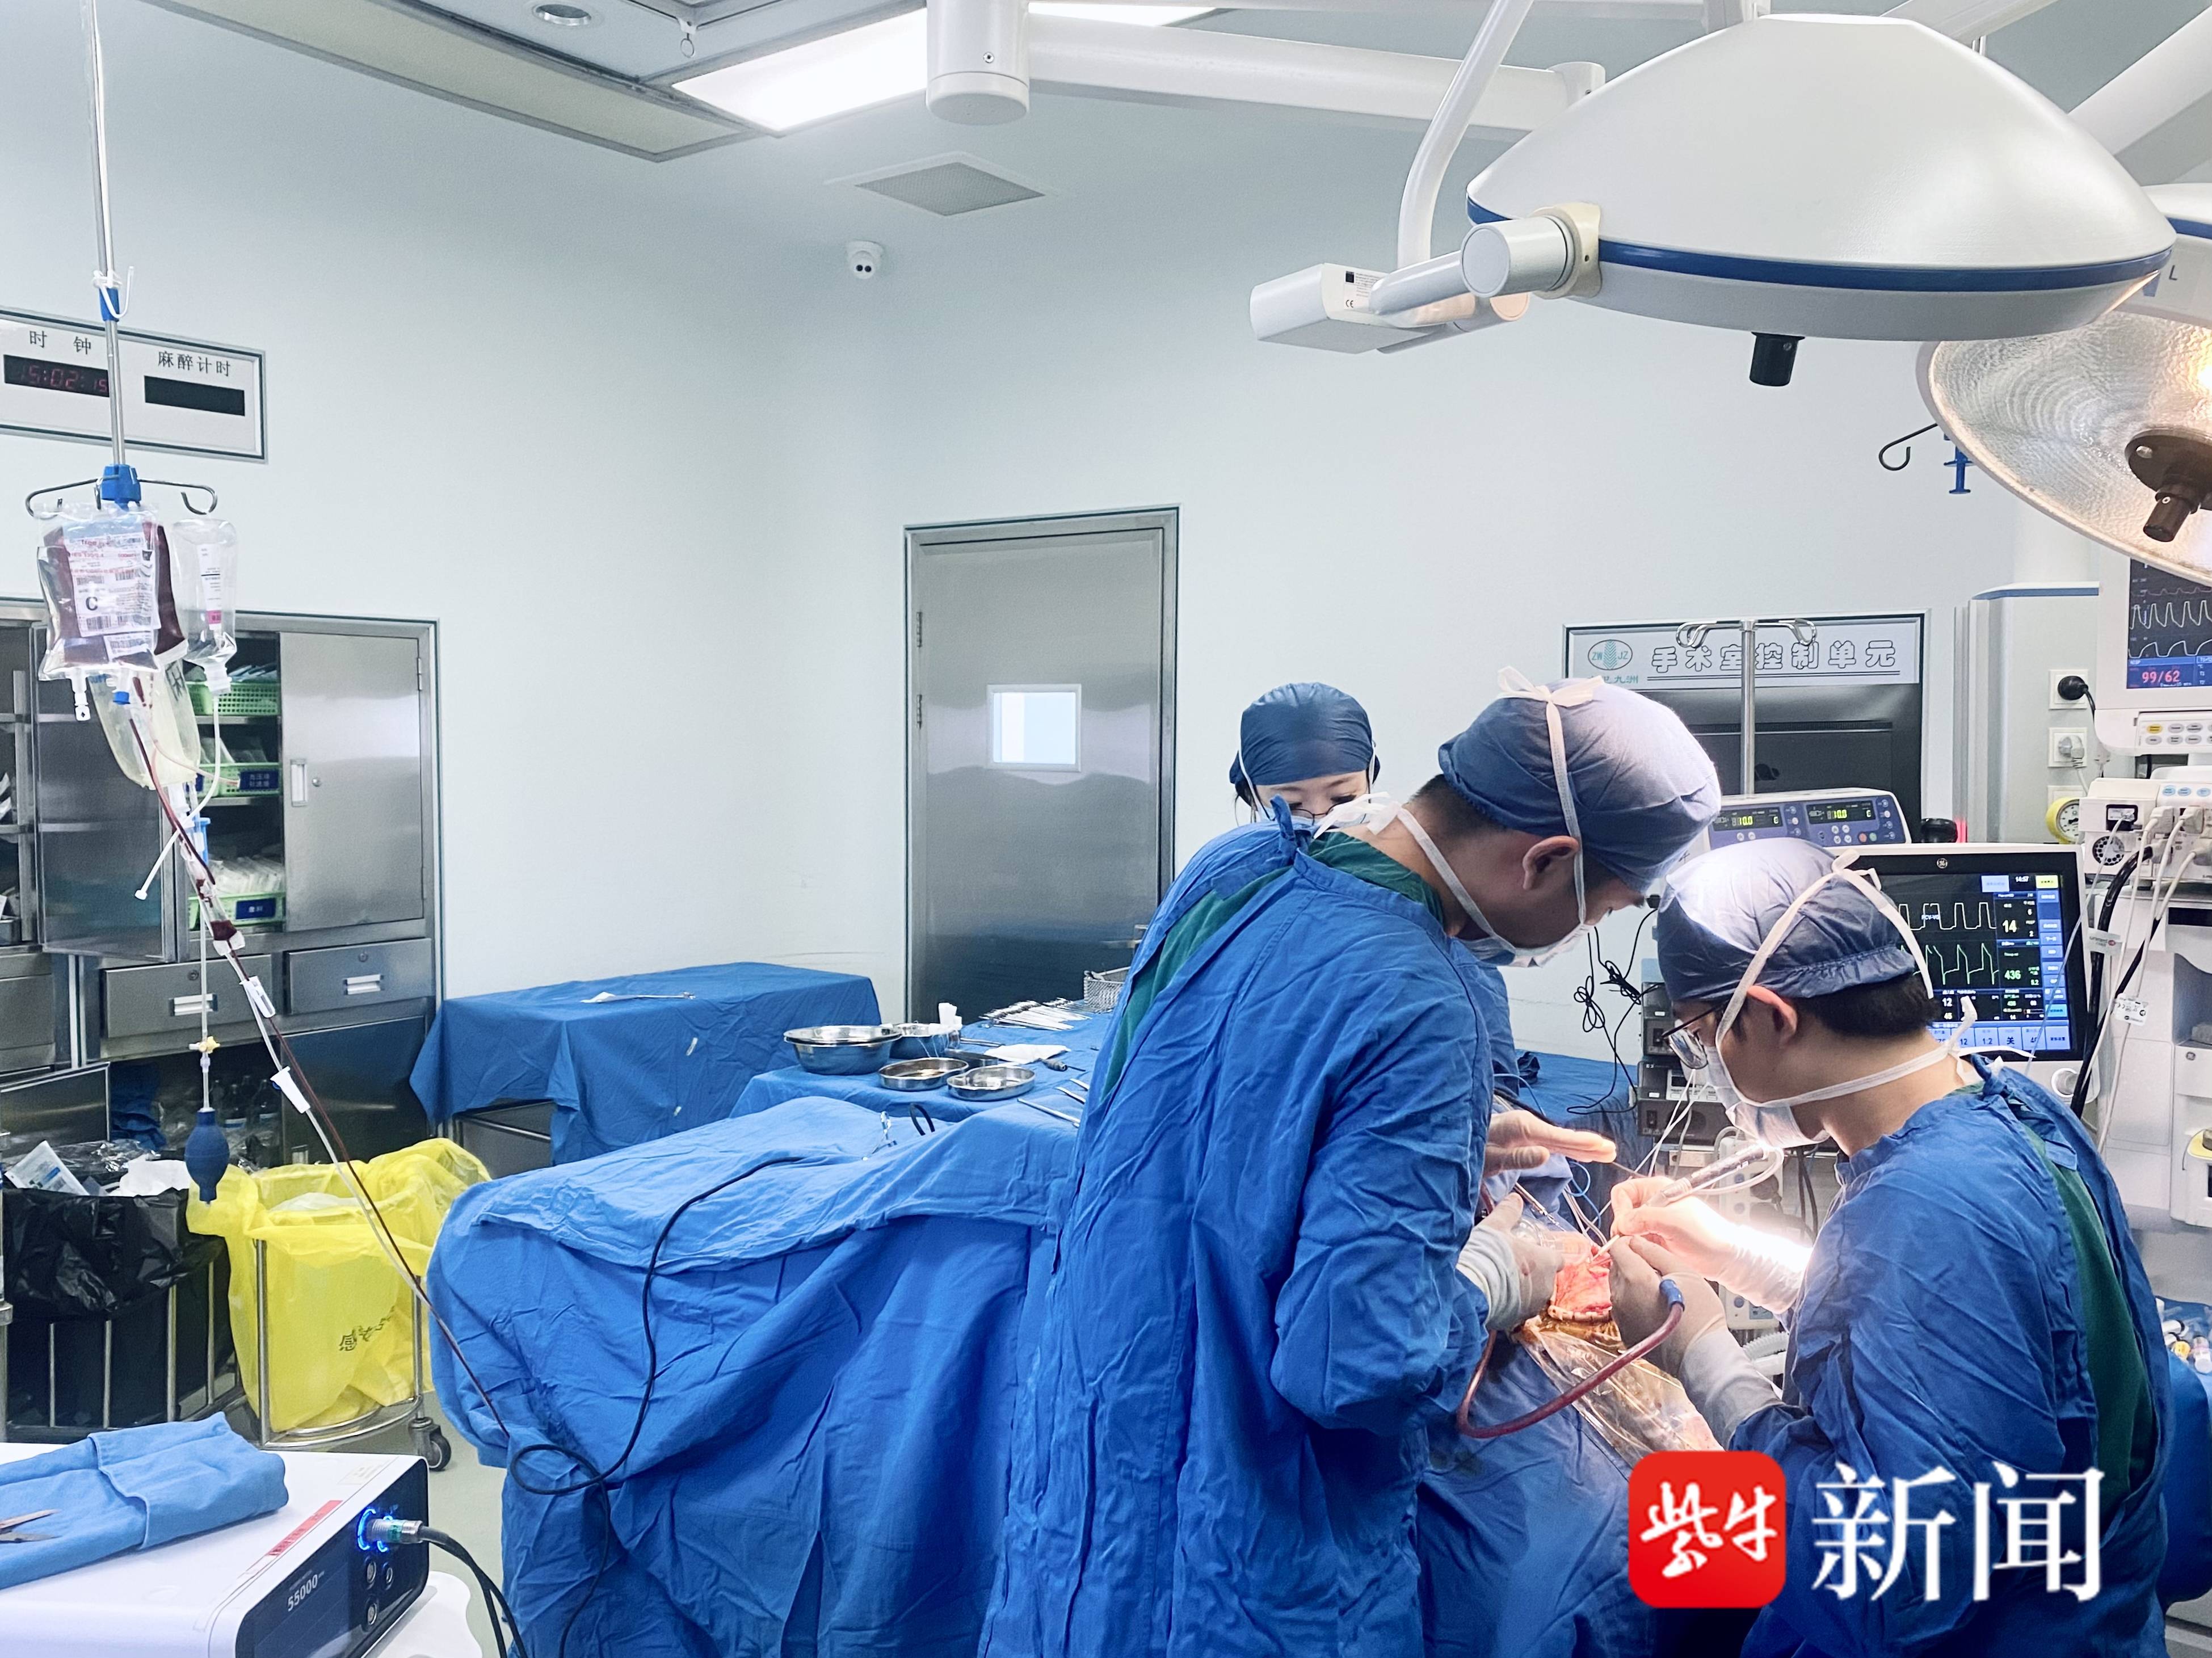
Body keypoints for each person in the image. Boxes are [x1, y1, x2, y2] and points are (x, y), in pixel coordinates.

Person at [980, 671, 1720, 1658]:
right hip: (1241, 1560)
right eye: (1603, 908)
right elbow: (1352, 1363)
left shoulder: (1232, 872)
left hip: (1093, 1471)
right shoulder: (1422, 999)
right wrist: (1495, 1276)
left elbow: (1177, 1117)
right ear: (1548, 860)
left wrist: (1433, 1135)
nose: (1584, 932)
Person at [1607, 836, 2173, 1657]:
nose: (1703, 1064)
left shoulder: (1922, 1205)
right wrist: (1736, 1257)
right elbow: (1975, 1330)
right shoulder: (2008, 1111)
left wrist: (1700, 1353)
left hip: (1989, 1639)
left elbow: (1895, 1588)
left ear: (1771, 1016)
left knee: (1644, 1559)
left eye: (1700, 1036)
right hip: (2093, 1615)